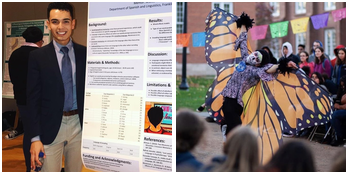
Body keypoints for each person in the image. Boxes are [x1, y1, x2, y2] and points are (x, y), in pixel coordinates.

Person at [27, 2, 87, 172]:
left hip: (79, 126)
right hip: (50, 126)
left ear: (73, 23)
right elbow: (32, 99)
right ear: (48, 24)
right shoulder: (37, 57)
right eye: (55, 21)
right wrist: (35, 138)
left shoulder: (85, 54)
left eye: (66, 21)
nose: (61, 27)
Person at [221, 22, 298, 136]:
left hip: (239, 104)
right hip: (228, 100)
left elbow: (271, 68)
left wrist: (285, 64)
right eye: (255, 54)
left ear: (259, 64)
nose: (254, 57)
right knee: (237, 131)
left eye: (257, 58)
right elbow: (243, 42)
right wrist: (243, 23)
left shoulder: (256, 71)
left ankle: (226, 132)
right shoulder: (244, 59)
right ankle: (229, 135)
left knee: (233, 130)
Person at [8, 26, 44, 172]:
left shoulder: (14, 54)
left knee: (28, 133)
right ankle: (39, 165)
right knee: (39, 135)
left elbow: (13, 78)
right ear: (40, 41)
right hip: (38, 102)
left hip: (22, 101)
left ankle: (30, 166)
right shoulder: (40, 55)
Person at [330, 75, 346, 146]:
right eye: (341, 86)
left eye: (344, 86)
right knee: (330, 114)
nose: (343, 87)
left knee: (336, 115)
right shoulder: (341, 91)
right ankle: (332, 137)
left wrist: (339, 106)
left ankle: (339, 137)